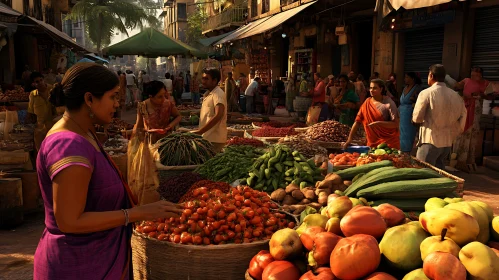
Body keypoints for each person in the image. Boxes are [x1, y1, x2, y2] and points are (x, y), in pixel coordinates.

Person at [35, 63, 182, 279]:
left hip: (95, 259)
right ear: (89, 99)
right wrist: (136, 213)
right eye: (113, 97)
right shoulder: (68, 144)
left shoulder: (85, 134)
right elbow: (69, 220)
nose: (118, 103)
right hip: (77, 266)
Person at [413, 64, 467, 170]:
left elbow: (417, 118)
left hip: (430, 140)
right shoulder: (456, 96)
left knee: (423, 173)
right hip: (446, 143)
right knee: (439, 174)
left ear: (431, 76)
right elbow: (463, 118)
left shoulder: (426, 93)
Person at [453, 66, 491, 172]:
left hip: (476, 110)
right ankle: (456, 159)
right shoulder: (466, 80)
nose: (473, 76)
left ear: (481, 75)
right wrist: (460, 90)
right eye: (472, 74)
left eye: (476, 75)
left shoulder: (485, 83)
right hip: (464, 107)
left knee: (472, 133)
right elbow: (456, 87)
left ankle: (467, 160)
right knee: (461, 131)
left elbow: (491, 96)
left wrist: (481, 95)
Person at [344, 79, 399, 149]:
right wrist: (349, 139)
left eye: (375, 88)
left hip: (388, 143)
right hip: (372, 142)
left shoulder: (389, 103)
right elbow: (357, 121)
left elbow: (395, 124)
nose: (371, 90)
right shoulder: (367, 102)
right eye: (370, 88)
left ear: (381, 89)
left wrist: (378, 123)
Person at [192, 69, 227, 153]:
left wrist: (200, 131)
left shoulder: (218, 94)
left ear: (214, 81)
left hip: (214, 139)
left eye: (206, 79)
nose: (203, 81)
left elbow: (218, 115)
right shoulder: (209, 93)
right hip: (208, 138)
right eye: (203, 78)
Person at [28, 72, 56, 151]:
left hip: (53, 127)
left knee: (53, 151)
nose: (40, 83)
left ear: (44, 80)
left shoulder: (52, 90)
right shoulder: (32, 95)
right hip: (40, 130)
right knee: (40, 152)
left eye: (41, 80)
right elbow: (31, 112)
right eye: (37, 82)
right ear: (33, 84)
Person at [399, 72, 423, 153]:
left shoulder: (417, 88)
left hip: (410, 114)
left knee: (408, 134)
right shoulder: (405, 88)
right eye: (405, 77)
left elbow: (419, 101)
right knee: (401, 133)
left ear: (413, 79)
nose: (405, 79)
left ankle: (407, 151)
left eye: (407, 77)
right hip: (402, 114)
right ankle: (402, 150)